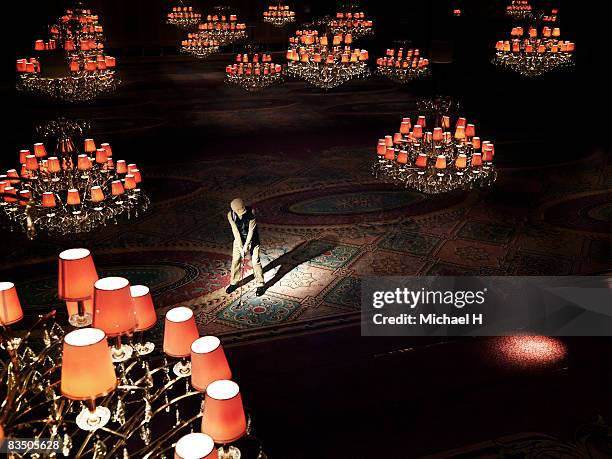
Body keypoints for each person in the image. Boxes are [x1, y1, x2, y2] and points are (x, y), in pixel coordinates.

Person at [225, 198, 265, 296]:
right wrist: (240, 246)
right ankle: (234, 282)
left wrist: (246, 246)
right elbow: (236, 232)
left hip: (253, 239)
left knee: (255, 261)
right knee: (236, 260)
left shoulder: (251, 212)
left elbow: (251, 231)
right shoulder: (230, 215)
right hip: (239, 239)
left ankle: (260, 284)